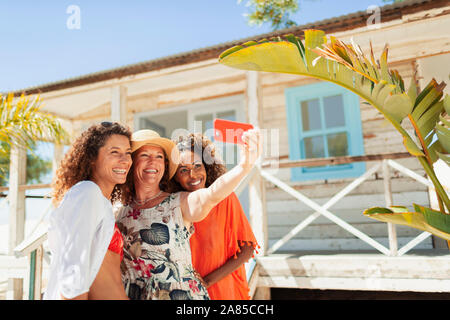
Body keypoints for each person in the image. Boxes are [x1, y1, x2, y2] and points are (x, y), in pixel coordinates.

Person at [116, 128, 261, 300]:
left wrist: (244, 166)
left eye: (159, 156)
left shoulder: (189, 202)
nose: (193, 174)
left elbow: (212, 194)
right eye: (183, 170)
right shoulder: (122, 210)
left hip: (209, 288)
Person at [43, 122, 132, 300]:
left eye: (128, 153)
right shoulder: (87, 192)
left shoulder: (102, 202)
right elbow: (72, 276)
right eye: (114, 152)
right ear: (92, 157)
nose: (125, 160)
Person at [168, 133, 258, 300]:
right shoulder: (171, 205)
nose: (193, 175)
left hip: (223, 289)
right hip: (186, 291)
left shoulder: (226, 198)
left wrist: (207, 281)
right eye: (183, 170)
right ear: (175, 176)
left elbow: (247, 249)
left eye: (197, 166)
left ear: (206, 167)